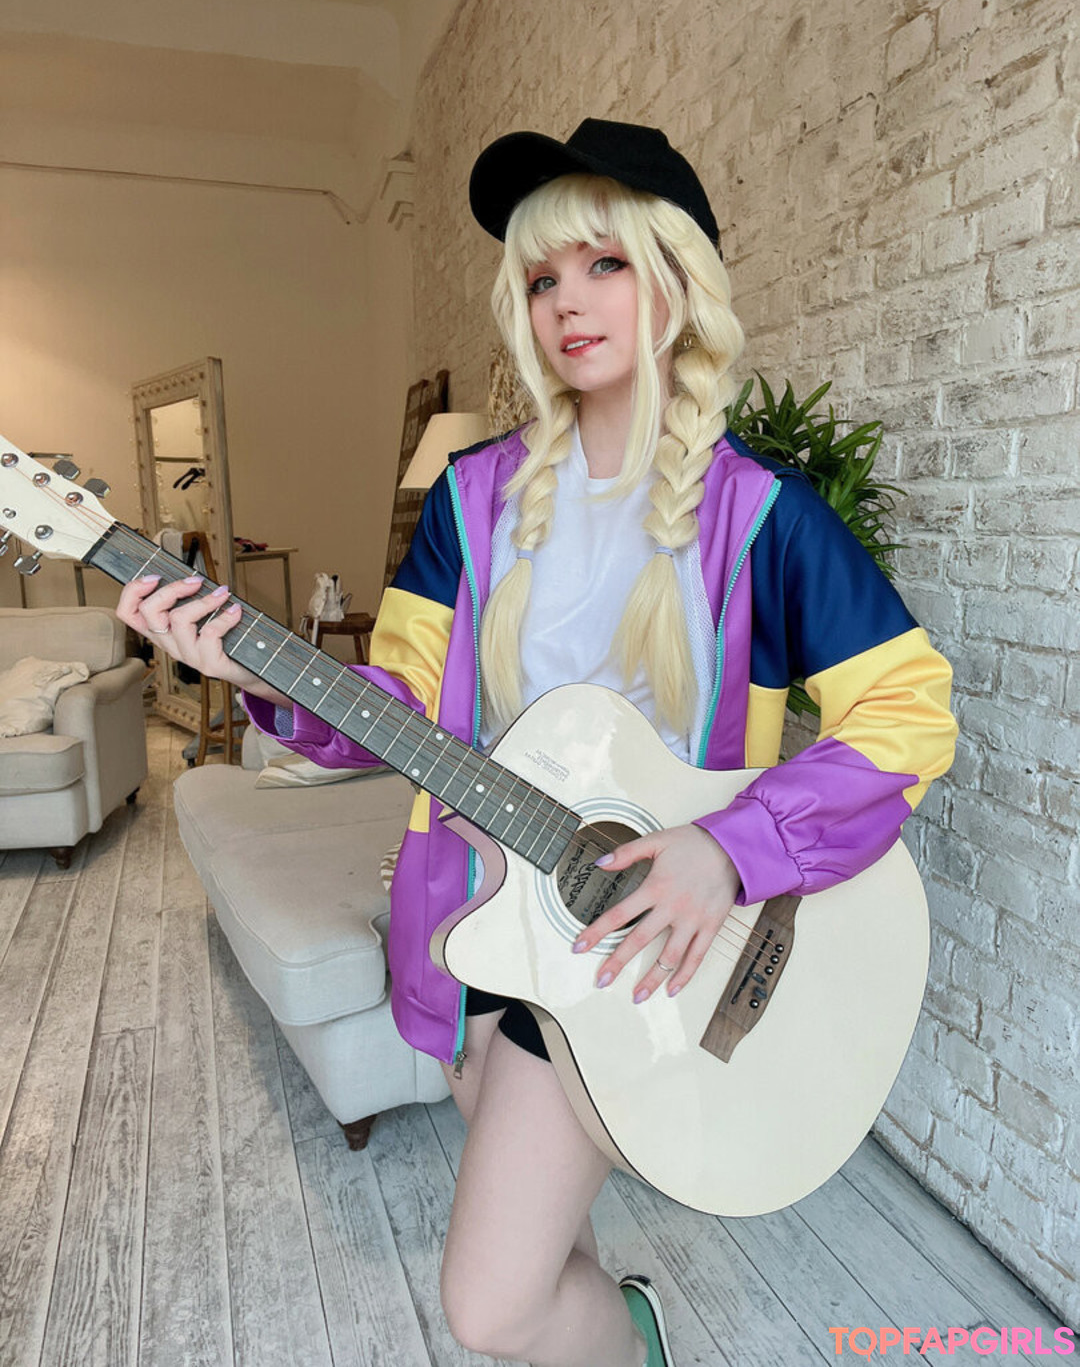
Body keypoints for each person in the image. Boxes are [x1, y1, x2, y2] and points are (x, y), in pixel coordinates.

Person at [116, 118, 958, 1367]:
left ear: (677, 279)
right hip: (482, 924)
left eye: (604, 264)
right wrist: (253, 668)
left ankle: (629, 1341)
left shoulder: (762, 517)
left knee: (491, 1305)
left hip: (642, 946)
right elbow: (396, 706)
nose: (567, 300)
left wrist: (730, 849)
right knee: (540, 1239)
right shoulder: (473, 499)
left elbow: (909, 713)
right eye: (542, 274)